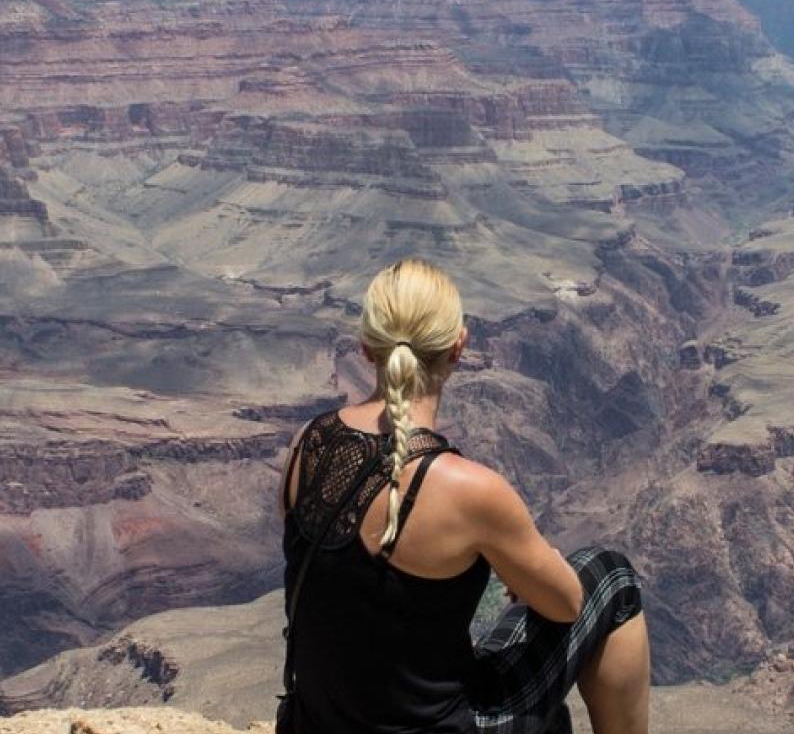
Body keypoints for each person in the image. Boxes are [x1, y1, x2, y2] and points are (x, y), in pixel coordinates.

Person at [276, 257, 650, 734]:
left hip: (313, 727)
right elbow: (567, 606)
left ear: (366, 348)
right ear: (459, 347)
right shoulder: (469, 490)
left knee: (545, 712)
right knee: (611, 577)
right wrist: (538, 563)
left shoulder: (305, 445)